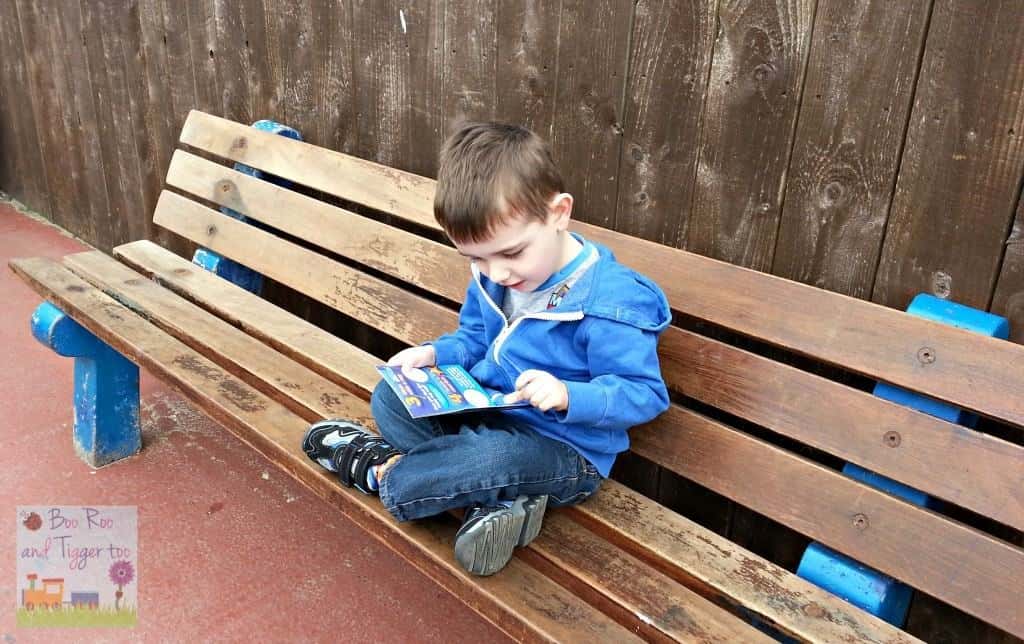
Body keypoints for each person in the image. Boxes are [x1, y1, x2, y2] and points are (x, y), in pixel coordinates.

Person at [302, 121, 671, 576]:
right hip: (488, 411)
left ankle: (386, 472)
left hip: (564, 451)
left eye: (511, 254)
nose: (495, 273)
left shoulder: (611, 301)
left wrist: (570, 395)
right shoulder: (494, 276)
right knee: (392, 398)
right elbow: (474, 340)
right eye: (476, 258)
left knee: (492, 459)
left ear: (558, 213)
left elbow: (644, 393)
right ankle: (493, 501)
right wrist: (436, 355)